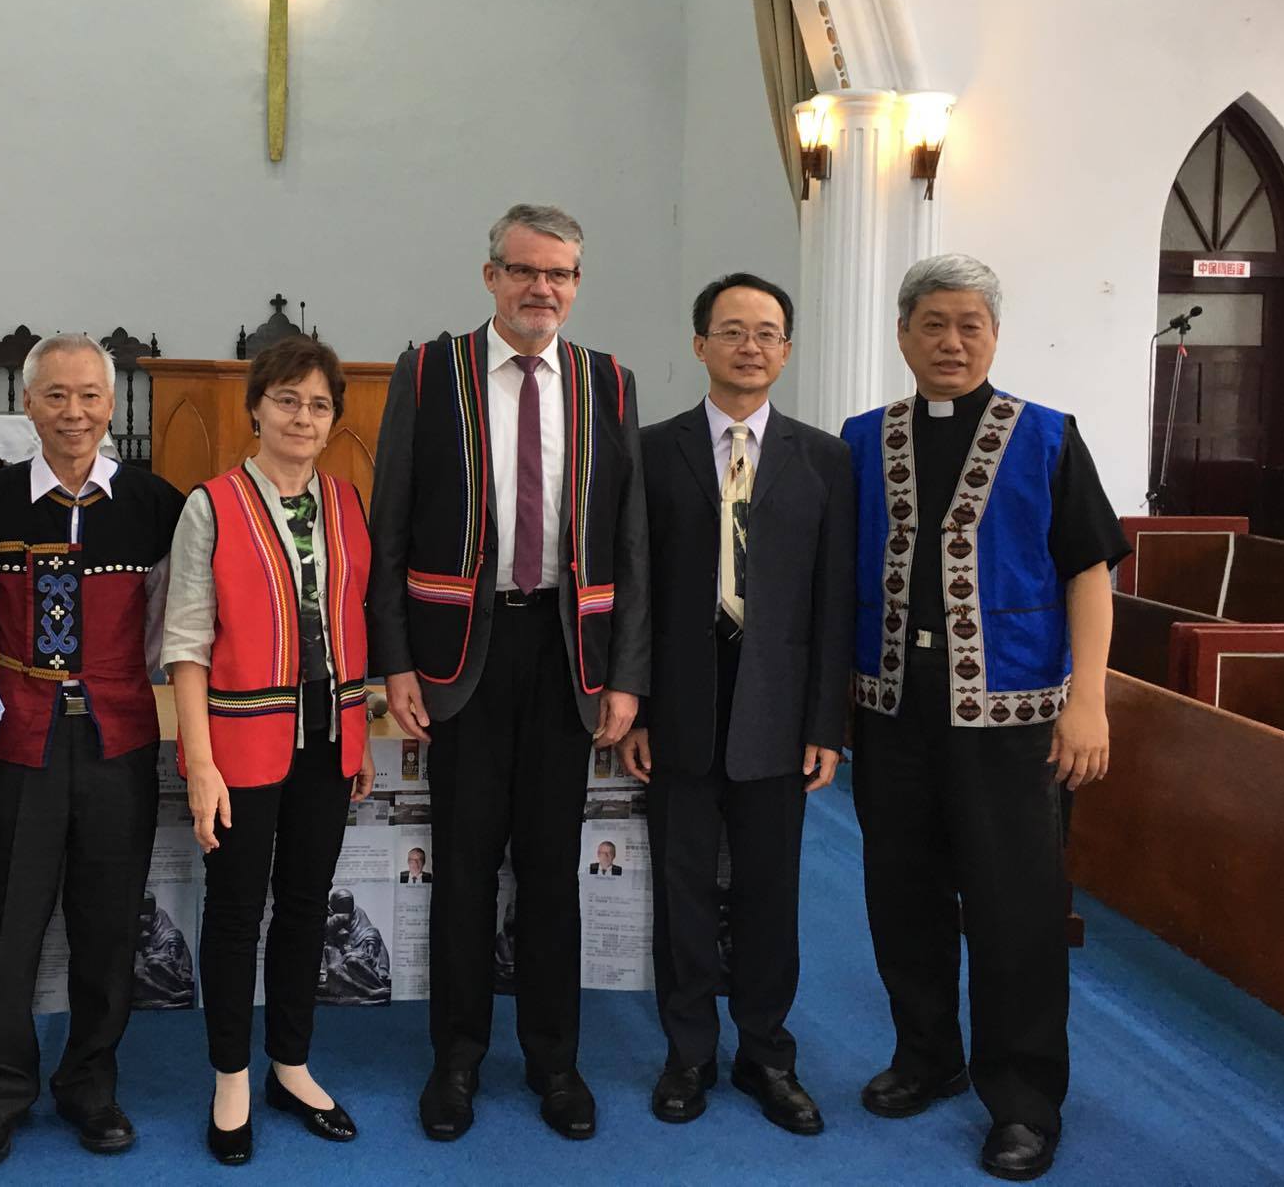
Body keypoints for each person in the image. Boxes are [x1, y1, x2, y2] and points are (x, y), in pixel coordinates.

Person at [368, 203, 647, 1143]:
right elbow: (389, 524)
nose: (541, 288)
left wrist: (625, 674)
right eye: (524, 270)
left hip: (568, 654)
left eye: (559, 273)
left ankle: (553, 1060)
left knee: (551, 869)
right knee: (462, 864)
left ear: (576, 284)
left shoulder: (607, 382)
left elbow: (630, 542)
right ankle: (456, 1058)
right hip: (460, 655)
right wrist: (394, 661)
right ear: (490, 275)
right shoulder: (428, 372)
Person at [844, 254, 1123, 1183]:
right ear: (902, 334)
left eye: (969, 324)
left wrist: (1088, 700)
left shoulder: (1046, 437)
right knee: (902, 893)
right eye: (932, 323)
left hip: (1011, 718)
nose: (951, 342)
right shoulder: (862, 439)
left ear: (994, 335)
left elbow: (1089, 571)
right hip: (891, 708)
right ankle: (927, 1054)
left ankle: (1024, 1099)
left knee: (1015, 909)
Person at [619, 271, 854, 1136]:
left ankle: (765, 1053)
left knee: (768, 891)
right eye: (731, 330)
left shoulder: (823, 458)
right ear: (699, 345)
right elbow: (634, 589)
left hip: (779, 710)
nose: (748, 346)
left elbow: (833, 601)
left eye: (765, 333)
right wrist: (636, 705)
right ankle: (687, 1052)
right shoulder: (650, 451)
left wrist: (826, 723)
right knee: (680, 890)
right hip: (679, 702)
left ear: (785, 351)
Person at [0, 333, 185, 1167]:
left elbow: (171, 622)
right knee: (9, 921)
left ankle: (90, 1083)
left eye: (89, 396)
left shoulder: (157, 505)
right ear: (27, 404)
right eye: (56, 395)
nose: (74, 412)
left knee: (107, 923)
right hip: (19, 739)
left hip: (118, 737)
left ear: (111, 404)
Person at [163, 335, 375, 1165]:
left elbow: (353, 622)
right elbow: (186, 644)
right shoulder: (210, 505)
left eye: (318, 404)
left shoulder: (348, 502)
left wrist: (358, 738)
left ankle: (290, 1064)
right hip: (241, 743)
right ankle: (230, 1079)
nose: (302, 417)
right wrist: (200, 764)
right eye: (287, 400)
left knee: (305, 906)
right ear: (255, 407)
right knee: (234, 911)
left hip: (329, 740)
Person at [319, 889, 392, 1005]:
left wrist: (370, 940)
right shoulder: (325, 914)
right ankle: (369, 992)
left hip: (354, 951)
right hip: (333, 953)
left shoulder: (357, 912)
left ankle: (377, 984)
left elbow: (369, 930)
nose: (348, 913)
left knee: (354, 959)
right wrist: (336, 921)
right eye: (343, 908)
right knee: (333, 969)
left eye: (349, 908)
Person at [132, 890, 196, 1009]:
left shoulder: (159, 913)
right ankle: (171, 995)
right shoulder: (131, 916)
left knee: (154, 963)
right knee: (139, 974)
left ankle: (178, 988)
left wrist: (171, 947)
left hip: (157, 952)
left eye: (149, 904)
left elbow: (170, 932)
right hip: (138, 954)